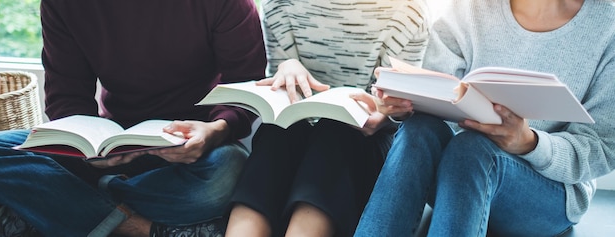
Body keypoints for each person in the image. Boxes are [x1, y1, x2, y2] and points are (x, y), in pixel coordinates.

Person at [0, 0, 266, 236]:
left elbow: (246, 86)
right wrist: (86, 146)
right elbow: (67, 95)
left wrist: (214, 131)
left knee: (228, 170)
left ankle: (53, 205)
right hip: (111, 144)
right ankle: (138, 227)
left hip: (192, 148)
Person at [354, 0, 615, 236]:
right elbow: (436, 101)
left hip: (549, 194)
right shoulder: (468, 9)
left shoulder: (607, 28)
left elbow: (602, 148)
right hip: (459, 177)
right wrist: (404, 106)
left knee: (472, 148)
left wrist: (529, 143)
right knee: (419, 129)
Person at [224, 0, 429, 236]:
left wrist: (385, 114)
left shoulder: (408, 12)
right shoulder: (279, 6)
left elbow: (407, 109)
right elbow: (276, 101)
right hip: (295, 136)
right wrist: (286, 68)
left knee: (336, 130)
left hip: (362, 143)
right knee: (276, 132)